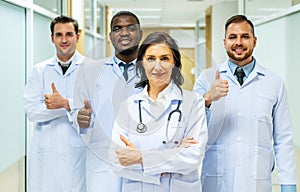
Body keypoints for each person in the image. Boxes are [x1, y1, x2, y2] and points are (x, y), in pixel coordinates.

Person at [193, 15, 297, 192]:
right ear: (224, 42)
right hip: (215, 180)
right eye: (233, 37)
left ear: (254, 41)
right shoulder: (206, 79)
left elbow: (283, 138)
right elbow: (191, 129)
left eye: (245, 37)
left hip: (257, 180)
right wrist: (207, 99)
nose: (238, 42)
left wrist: (288, 185)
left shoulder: (274, 82)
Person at [109, 31, 208, 192]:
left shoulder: (193, 102)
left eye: (164, 58)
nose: (157, 66)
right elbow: (116, 160)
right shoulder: (128, 106)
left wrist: (141, 158)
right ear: (142, 63)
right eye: (151, 59)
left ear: (174, 63)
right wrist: (174, 154)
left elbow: (193, 157)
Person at [72, 11, 143, 192]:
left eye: (130, 28)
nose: (124, 33)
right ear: (111, 36)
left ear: (140, 34)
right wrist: (80, 118)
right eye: (117, 29)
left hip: (142, 161)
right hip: (103, 161)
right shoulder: (90, 72)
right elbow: (78, 112)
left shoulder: (155, 71)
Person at [23, 15, 87, 192]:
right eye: (59, 35)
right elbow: (32, 112)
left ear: (77, 36)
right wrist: (72, 107)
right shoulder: (39, 70)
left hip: (79, 151)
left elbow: (94, 110)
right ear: (52, 38)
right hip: (46, 151)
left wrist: (64, 103)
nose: (64, 40)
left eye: (69, 34)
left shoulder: (91, 68)